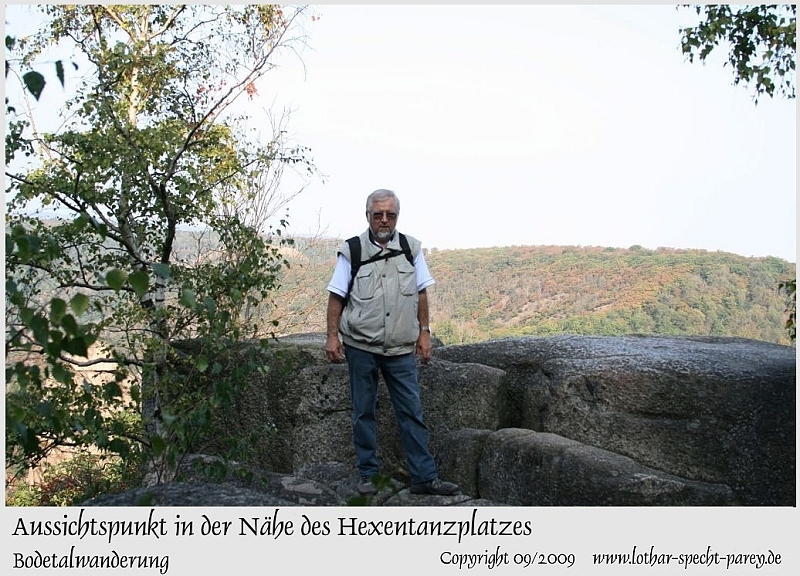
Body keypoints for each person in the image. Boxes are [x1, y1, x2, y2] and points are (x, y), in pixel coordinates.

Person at [325, 189, 460, 497]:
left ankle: (424, 477)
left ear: (397, 216)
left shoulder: (411, 249)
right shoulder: (353, 250)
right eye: (378, 214)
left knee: (411, 411)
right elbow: (336, 296)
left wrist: (424, 332)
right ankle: (369, 474)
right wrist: (332, 336)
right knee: (363, 411)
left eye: (390, 214)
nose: (384, 220)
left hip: (401, 346)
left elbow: (422, 291)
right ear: (368, 216)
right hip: (361, 344)